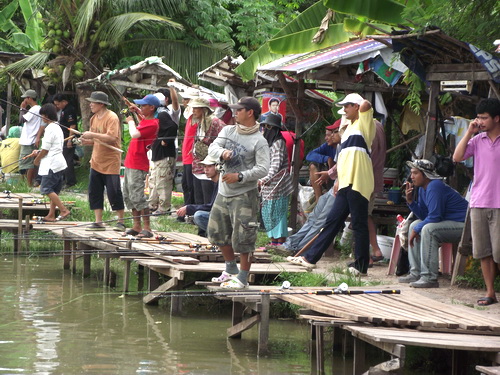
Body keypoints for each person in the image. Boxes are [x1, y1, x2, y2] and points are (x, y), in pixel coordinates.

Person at [287, 93, 375, 275]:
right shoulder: (349, 129)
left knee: (359, 224)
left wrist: (358, 104)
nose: (344, 110)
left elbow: (366, 105)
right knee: (332, 222)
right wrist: (339, 180)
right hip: (345, 183)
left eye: (347, 106)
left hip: (359, 181)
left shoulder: (365, 125)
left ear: (356, 107)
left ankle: (361, 266)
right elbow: (343, 159)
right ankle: (310, 258)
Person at [207, 96, 270, 289]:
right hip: (223, 192)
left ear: (250, 113)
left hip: (245, 194)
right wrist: (222, 153)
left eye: (239, 110)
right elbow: (213, 147)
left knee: (244, 237)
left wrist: (240, 176)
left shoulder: (259, 141)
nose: (235, 113)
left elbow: (263, 169)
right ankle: (230, 269)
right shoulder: (227, 130)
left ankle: (242, 278)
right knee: (216, 232)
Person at [453, 98, 500, 305]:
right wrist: (469, 132)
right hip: (479, 201)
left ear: (496, 119)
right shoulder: (477, 140)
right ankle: (490, 292)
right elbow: (457, 157)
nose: (479, 121)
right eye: (478, 117)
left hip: (499, 203)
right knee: (483, 252)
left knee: (498, 252)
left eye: (484, 118)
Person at [398, 159, 468, 288]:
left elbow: (435, 217)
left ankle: (429, 277)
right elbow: (426, 216)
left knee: (428, 229)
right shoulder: (422, 189)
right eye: (411, 173)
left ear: (425, 175)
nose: (411, 177)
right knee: (415, 225)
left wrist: (418, 229)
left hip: (464, 226)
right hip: (448, 223)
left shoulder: (434, 186)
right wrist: (411, 202)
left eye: (415, 173)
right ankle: (416, 273)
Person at [80, 91, 126, 231]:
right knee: (95, 191)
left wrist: (92, 135)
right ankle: (98, 221)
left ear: (101, 104)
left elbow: (112, 137)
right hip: (96, 160)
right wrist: (85, 141)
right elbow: (95, 140)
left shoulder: (112, 117)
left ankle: (121, 221)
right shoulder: (94, 118)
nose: (90, 104)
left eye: (93, 102)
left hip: (111, 161)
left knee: (114, 191)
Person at [123, 94, 160, 238]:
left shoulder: (153, 124)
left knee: (138, 196)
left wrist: (131, 121)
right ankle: (136, 226)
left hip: (138, 163)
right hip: (130, 161)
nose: (142, 107)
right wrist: (135, 110)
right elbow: (143, 120)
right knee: (129, 195)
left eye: (144, 105)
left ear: (152, 108)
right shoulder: (147, 120)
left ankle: (147, 228)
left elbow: (135, 134)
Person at [30, 103, 70, 222]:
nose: (41, 118)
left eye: (42, 115)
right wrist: (39, 152)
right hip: (59, 163)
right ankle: (51, 214)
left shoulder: (50, 129)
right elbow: (49, 147)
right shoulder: (57, 127)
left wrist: (36, 160)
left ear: (46, 115)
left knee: (46, 189)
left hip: (51, 164)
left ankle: (63, 210)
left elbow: (46, 150)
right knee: (54, 190)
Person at [259, 113, 293, 246]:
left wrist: (265, 178)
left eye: (266, 128)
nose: (263, 131)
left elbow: (275, 165)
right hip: (269, 185)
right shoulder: (269, 143)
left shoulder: (278, 143)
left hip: (278, 185)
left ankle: (280, 242)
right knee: (269, 212)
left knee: (278, 213)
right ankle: (273, 241)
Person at [148, 81, 180, 215]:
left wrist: (165, 141)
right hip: (156, 153)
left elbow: (173, 127)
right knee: (154, 180)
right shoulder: (156, 115)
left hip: (165, 154)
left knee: (163, 180)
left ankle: (164, 207)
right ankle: (152, 204)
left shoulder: (165, 113)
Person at [190, 97, 225, 205]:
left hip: (210, 168)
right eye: (193, 108)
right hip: (198, 166)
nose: (193, 111)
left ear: (204, 109)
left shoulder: (215, 122)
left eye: (196, 108)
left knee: (208, 201)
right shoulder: (200, 123)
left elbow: (225, 141)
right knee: (199, 200)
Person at [175, 154, 220, 236]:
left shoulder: (221, 184)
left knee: (199, 215)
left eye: (209, 167)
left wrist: (188, 208)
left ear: (217, 167)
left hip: (225, 219)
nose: (206, 170)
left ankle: (220, 236)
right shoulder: (216, 183)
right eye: (204, 167)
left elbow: (212, 207)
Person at [306, 122, 339, 203]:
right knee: (313, 166)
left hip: (339, 178)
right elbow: (309, 155)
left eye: (329, 135)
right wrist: (327, 158)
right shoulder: (327, 146)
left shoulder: (343, 146)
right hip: (329, 176)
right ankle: (318, 199)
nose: (326, 138)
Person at [180, 88, 201, 209]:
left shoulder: (199, 120)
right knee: (185, 184)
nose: (184, 101)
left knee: (191, 186)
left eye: (187, 99)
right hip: (186, 156)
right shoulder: (189, 117)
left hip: (192, 157)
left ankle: (190, 210)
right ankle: (186, 209)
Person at [18, 89, 43, 186]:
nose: (24, 101)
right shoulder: (37, 109)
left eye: (25, 98)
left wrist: (22, 108)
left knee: (27, 163)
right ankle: (26, 184)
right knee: (26, 162)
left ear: (29, 98)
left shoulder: (34, 109)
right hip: (29, 139)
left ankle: (28, 185)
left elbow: (21, 119)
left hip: (29, 140)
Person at [53, 94, 78, 187]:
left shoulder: (69, 110)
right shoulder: (63, 110)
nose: (57, 106)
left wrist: (70, 140)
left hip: (69, 138)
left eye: (58, 104)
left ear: (64, 101)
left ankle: (70, 181)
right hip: (63, 137)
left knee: (67, 159)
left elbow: (72, 126)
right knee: (63, 158)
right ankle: (64, 179)